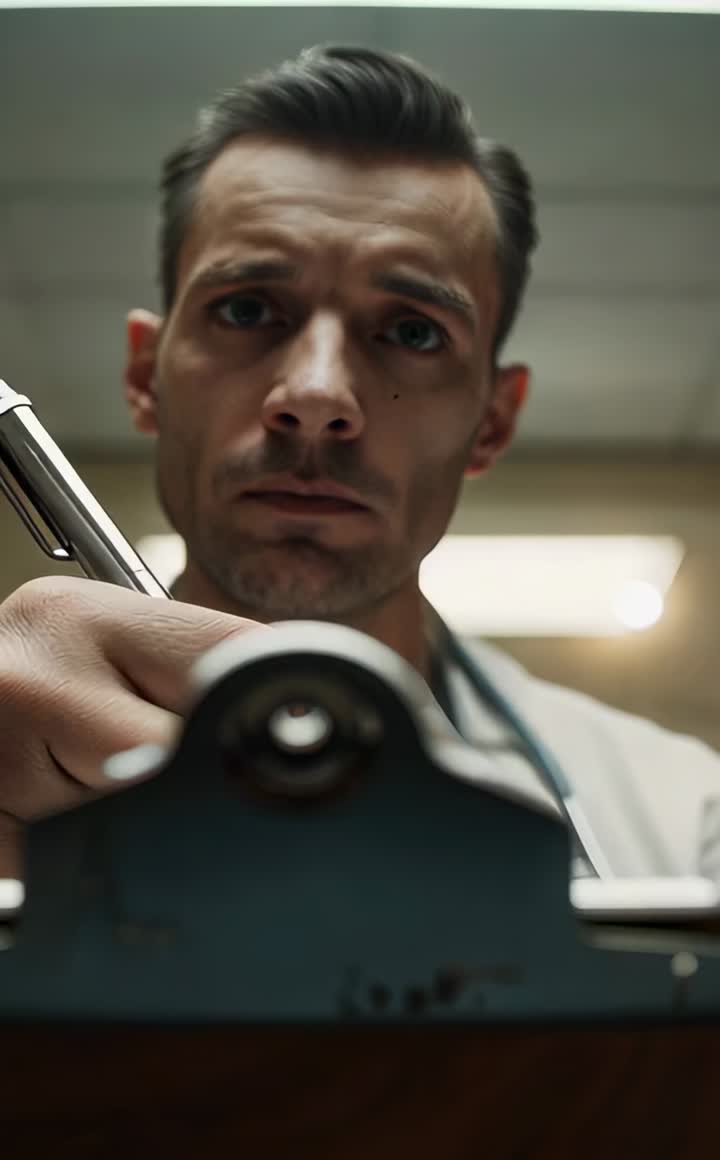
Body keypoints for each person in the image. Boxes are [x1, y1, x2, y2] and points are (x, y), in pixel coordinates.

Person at [0, 43, 718, 888]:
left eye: (413, 331)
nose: (316, 394)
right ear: (143, 375)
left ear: (493, 420)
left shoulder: (684, 819)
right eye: (247, 309)